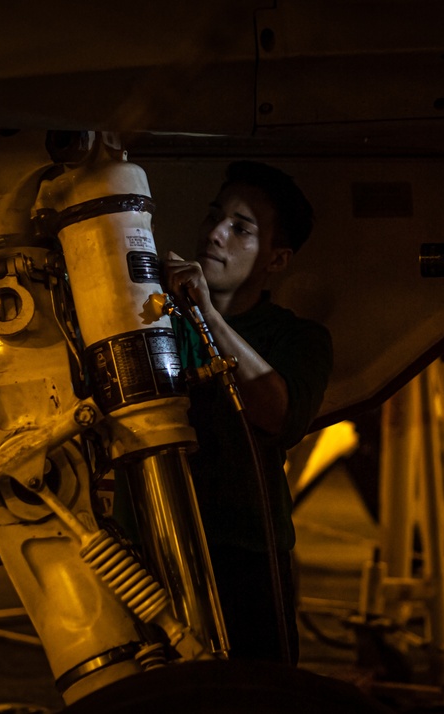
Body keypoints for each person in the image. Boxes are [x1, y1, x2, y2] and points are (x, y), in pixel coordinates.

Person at [163, 160, 333, 665]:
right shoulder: (154, 320)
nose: (215, 234)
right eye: (215, 217)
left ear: (276, 261)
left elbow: (279, 415)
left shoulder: (297, 339)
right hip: (154, 543)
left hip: (246, 555)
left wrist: (208, 317)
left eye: (241, 228)